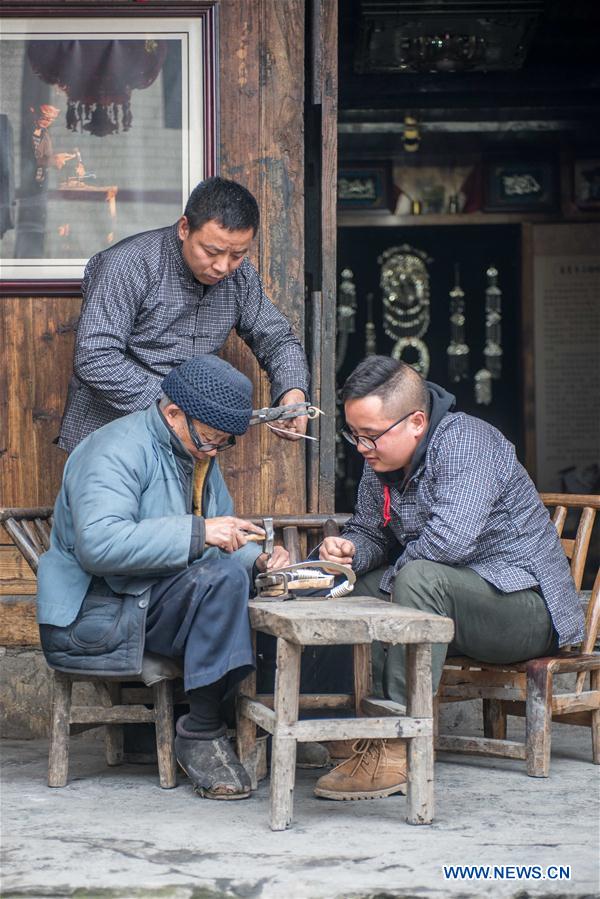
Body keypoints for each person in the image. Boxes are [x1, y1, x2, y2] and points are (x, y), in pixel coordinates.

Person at [314, 356, 584, 801]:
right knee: (345, 587)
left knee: (417, 578)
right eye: (354, 435)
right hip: (456, 602)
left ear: (416, 422)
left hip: (527, 608)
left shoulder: (466, 443)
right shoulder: (380, 455)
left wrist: (388, 589)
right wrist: (349, 552)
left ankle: (400, 746)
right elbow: (369, 529)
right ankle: (364, 729)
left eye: (371, 435)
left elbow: (449, 543)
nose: (361, 447)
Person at [38, 354, 289, 800]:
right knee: (221, 581)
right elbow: (100, 547)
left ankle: (261, 722)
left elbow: (218, 533)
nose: (213, 451)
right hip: (100, 609)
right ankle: (202, 729)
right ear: (173, 413)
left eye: (222, 444)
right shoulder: (113, 450)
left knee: (248, 579)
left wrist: (258, 560)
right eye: (209, 440)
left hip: (147, 598)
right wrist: (203, 533)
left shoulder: (194, 451)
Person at [57, 176, 310, 453]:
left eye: (237, 255)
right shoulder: (128, 264)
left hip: (190, 442)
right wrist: (178, 404)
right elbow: (95, 356)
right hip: (110, 437)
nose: (222, 266)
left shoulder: (241, 279)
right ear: (184, 228)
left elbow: (278, 340)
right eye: (211, 251)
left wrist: (292, 391)